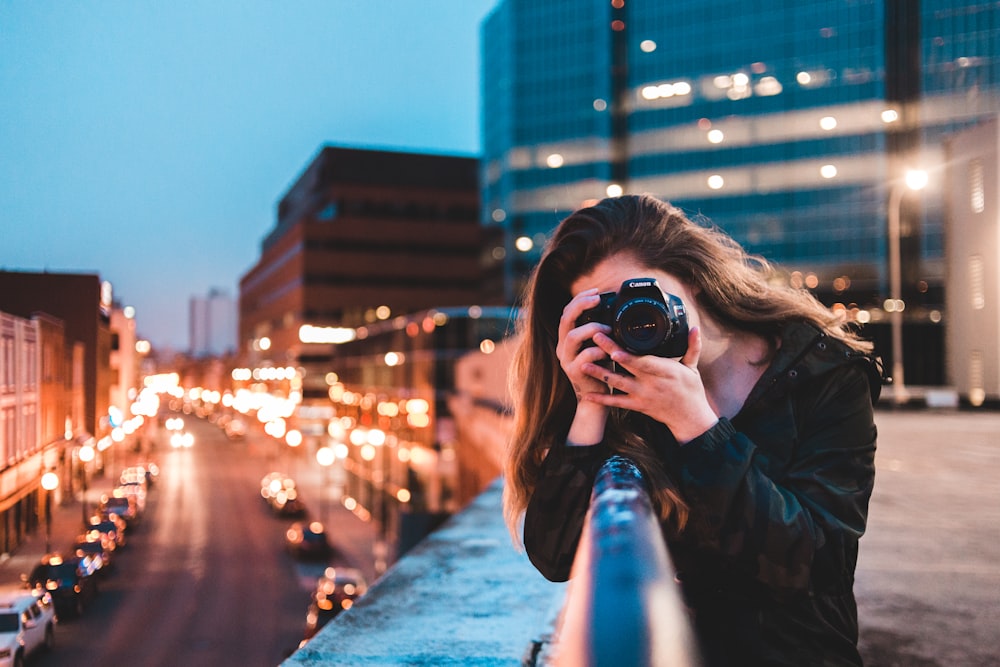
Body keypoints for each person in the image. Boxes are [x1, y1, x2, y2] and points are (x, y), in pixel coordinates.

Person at [504, 194, 881, 666]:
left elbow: (818, 561)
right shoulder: (619, 390)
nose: (633, 320)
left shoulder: (824, 374)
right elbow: (556, 557)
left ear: (696, 278)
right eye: (608, 309)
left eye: (643, 297)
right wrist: (589, 403)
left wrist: (696, 426)